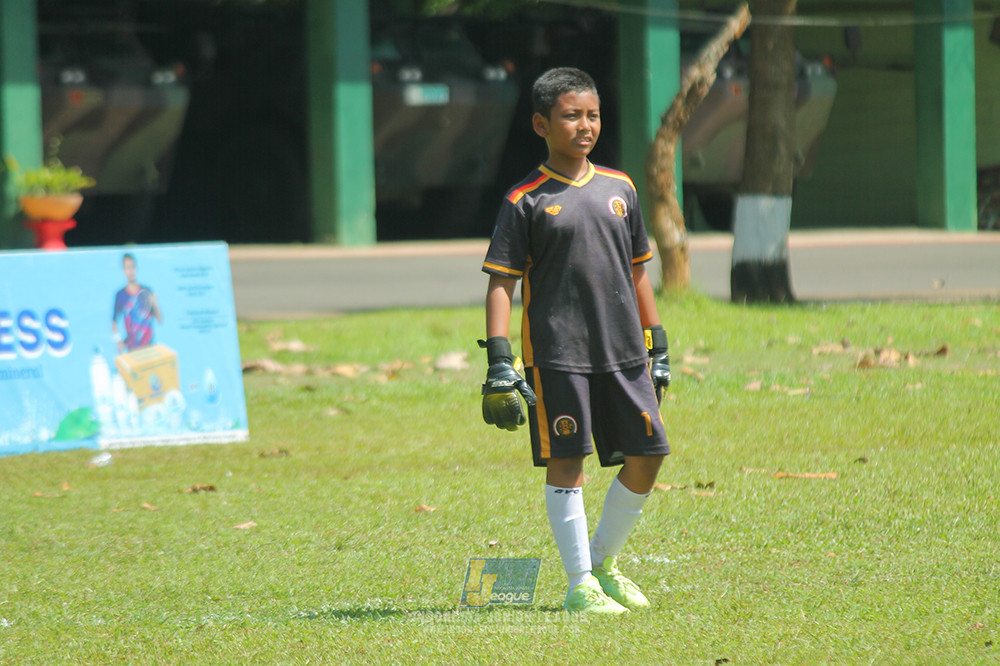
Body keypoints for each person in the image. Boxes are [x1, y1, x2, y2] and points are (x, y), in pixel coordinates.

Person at [479, 67, 672, 615]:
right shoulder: (525, 199)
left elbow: (638, 272)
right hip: (557, 355)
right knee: (569, 461)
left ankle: (604, 564)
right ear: (542, 124)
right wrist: (499, 362)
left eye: (592, 115)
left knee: (649, 453)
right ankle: (579, 583)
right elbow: (502, 283)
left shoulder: (621, 188)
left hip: (625, 352)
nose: (584, 125)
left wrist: (658, 344)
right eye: (570, 115)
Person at [112, 253, 162, 353]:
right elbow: (114, 322)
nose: (131, 271)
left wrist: (155, 303)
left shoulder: (147, 291)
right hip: (132, 350)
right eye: (127, 268)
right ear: (123, 270)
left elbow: (159, 320)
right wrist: (118, 341)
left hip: (150, 348)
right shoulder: (120, 295)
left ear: (136, 268)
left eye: (133, 267)